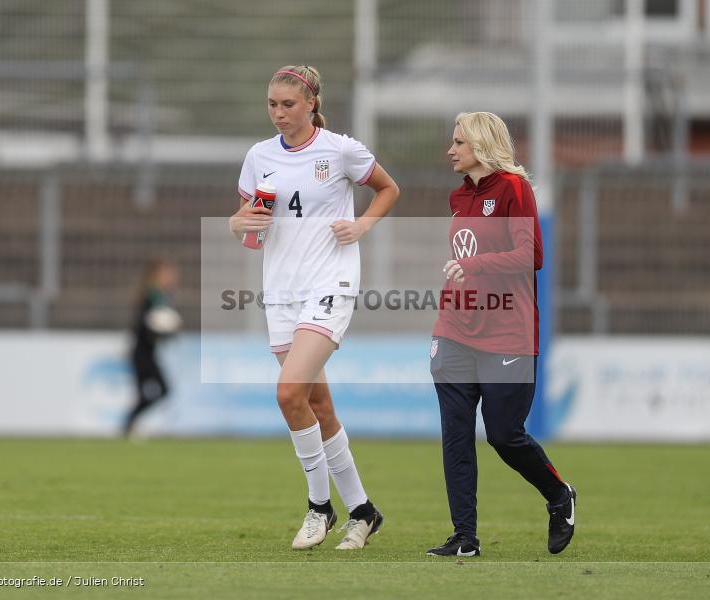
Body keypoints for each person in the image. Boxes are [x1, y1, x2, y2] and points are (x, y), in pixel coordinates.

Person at [229, 65, 400, 550]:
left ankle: (319, 507)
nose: (279, 113)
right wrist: (237, 223)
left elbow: (389, 189)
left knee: (288, 394)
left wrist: (362, 225)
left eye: (288, 104)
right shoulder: (258, 157)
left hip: (331, 281)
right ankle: (364, 512)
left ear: (311, 104)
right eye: (272, 104)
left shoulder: (341, 149)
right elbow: (249, 228)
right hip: (281, 288)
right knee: (315, 403)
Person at [426, 112, 576, 557]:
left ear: (481, 145)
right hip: (454, 329)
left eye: (458, 142)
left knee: (504, 435)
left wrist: (473, 266)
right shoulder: (458, 196)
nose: (450, 150)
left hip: (507, 331)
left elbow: (531, 253)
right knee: (455, 435)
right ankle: (465, 538)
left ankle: (559, 495)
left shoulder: (513, 188)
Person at [124, 259, 182, 437]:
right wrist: (159, 329)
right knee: (154, 391)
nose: (171, 278)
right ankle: (128, 425)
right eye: (168, 273)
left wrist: (167, 332)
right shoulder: (149, 296)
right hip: (140, 353)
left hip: (149, 353)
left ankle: (129, 425)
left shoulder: (162, 297)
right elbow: (141, 325)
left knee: (159, 391)